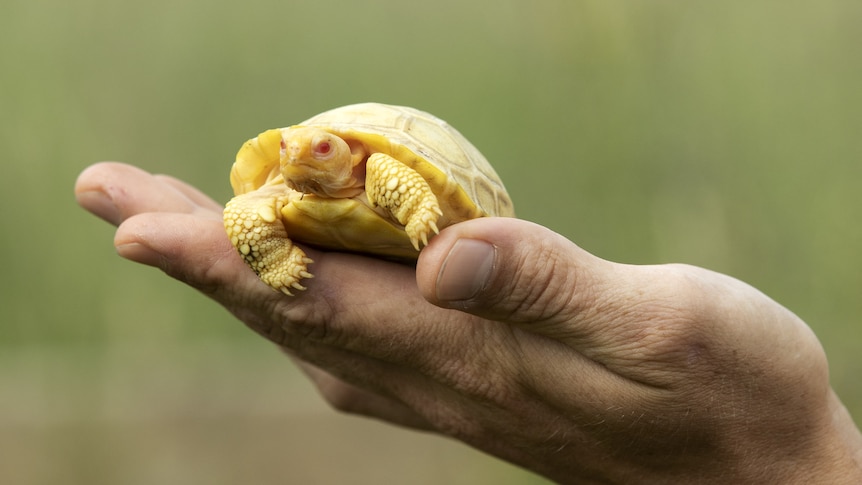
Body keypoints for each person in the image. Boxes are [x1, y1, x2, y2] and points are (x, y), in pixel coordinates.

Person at [75, 162, 862, 483]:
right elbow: (248, 214)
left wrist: (798, 459)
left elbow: (398, 176)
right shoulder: (282, 188)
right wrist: (274, 259)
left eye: (326, 149)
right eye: (298, 149)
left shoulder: (376, 168)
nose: (310, 156)